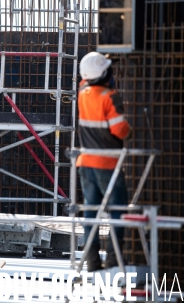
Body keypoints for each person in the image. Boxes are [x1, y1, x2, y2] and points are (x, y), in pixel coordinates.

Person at [76, 52, 131, 271]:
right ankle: (113, 258)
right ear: (104, 74)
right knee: (118, 210)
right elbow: (121, 130)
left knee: (91, 211)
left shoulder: (82, 93)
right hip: (108, 165)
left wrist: (100, 63)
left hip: (85, 163)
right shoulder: (109, 97)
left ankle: (92, 261)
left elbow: (85, 80)